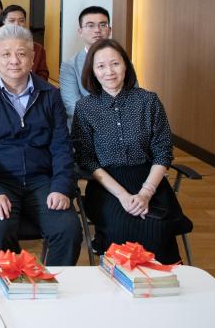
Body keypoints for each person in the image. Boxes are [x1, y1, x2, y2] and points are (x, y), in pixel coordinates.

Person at [0, 24, 81, 267]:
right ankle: (0, 286)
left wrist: (61, 187)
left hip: (42, 181)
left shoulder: (49, 94)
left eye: (21, 54)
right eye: (6, 54)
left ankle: (52, 283)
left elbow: (61, 147)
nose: (14, 61)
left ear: (32, 57)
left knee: (68, 230)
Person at [73, 39, 190, 263]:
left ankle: (161, 281)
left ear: (126, 65)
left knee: (156, 225)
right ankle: (118, 279)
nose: (109, 72)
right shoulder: (85, 107)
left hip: (148, 179)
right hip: (107, 184)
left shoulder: (148, 101)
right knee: (120, 225)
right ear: (92, 71)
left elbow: (163, 151)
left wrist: (145, 193)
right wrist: (123, 196)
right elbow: (86, 159)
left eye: (115, 64)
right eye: (101, 66)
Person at [60, 6, 112, 126]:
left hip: (122, 128)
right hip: (85, 129)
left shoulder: (124, 62)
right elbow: (73, 107)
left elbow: (133, 98)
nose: (97, 30)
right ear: (80, 32)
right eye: (90, 25)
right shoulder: (70, 66)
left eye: (102, 25)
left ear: (109, 30)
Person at [1, 5, 49, 81]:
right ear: (4, 23)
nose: (17, 24)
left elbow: (43, 75)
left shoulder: (38, 49)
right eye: (12, 21)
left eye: (21, 21)